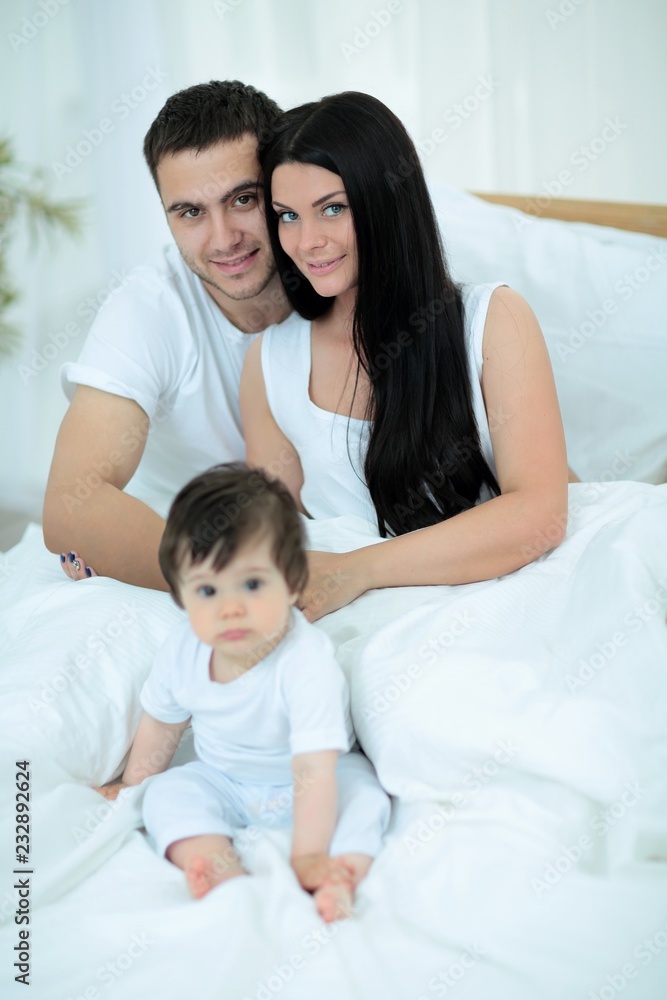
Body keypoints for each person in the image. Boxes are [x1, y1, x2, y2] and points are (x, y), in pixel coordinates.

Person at [240, 91, 570, 622]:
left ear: (386, 202)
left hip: (501, 598)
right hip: (362, 623)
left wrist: (359, 570)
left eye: (333, 208)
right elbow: (272, 532)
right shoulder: (270, 363)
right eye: (287, 216)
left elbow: (539, 514)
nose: (307, 242)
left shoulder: (493, 321)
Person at [95, 463, 390, 921]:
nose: (230, 608)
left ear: (293, 584)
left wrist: (309, 852)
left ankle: (339, 872)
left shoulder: (306, 661)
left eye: (252, 584)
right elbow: (162, 720)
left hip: (310, 782)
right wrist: (133, 783)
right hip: (224, 779)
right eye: (208, 590)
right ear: (181, 598)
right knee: (167, 793)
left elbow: (315, 765)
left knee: (366, 796)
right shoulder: (183, 651)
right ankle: (213, 863)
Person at [42, 81, 291, 589]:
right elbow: (72, 504)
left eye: (243, 199)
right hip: (174, 528)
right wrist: (237, 580)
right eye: (191, 212)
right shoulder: (148, 307)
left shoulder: (339, 265)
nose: (223, 239)